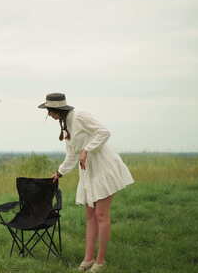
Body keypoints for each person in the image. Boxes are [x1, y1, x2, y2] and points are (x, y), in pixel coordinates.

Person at [38, 93, 134, 273]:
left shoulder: (80, 116)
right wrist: (60, 172)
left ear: (57, 109)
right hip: (87, 171)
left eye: (49, 111)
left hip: (103, 167)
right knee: (90, 216)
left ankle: (101, 261)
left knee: (101, 215)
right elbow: (72, 154)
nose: (49, 115)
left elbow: (104, 132)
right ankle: (88, 259)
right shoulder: (66, 124)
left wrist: (87, 150)